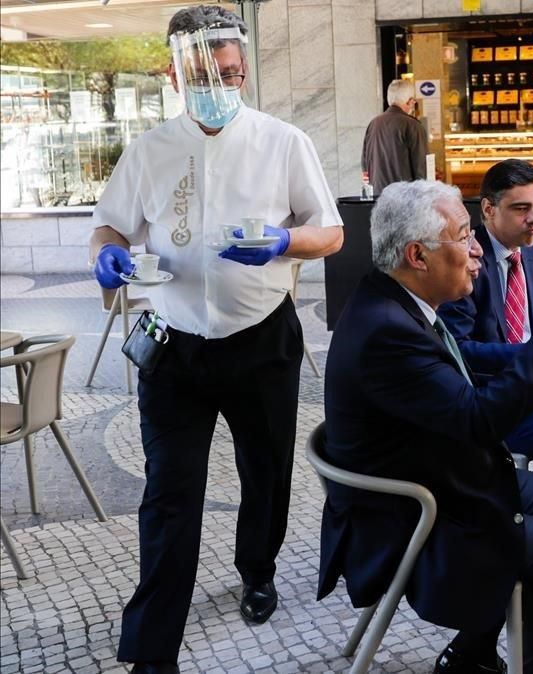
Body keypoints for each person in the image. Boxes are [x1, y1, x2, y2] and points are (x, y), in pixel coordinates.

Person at [89, 6, 344, 672]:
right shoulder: (148, 151)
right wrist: (107, 254)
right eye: (208, 75)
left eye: (233, 73)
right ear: (176, 74)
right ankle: (152, 650)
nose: (223, 86)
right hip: (173, 346)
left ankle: (256, 568)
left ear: (244, 68)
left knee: (266, 472)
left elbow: (332, 231)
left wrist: (286, 240)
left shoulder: (283, 141)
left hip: (262, 339)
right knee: (169, 492)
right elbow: (110, 227)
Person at [319, 179, 533, 673]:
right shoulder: (387, 332)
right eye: (463, 235)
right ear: (418, 255)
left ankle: (473, 651)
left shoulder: (396, 302)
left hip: (440, 477)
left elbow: (462, 395)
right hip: (413, 514)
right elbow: (477, 420)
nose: (477, 248)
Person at [437, 159, 533, 483]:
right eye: (521, 209)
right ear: (488, 208)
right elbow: (457, 351)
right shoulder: (465, 260)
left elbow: (527, 325)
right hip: (494, 397)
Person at [362, 79, 429, 191]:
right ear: (410, 101)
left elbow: (365, 164)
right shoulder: (413, 126)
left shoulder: (373, 124)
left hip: (378, 197)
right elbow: (421, 169)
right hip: (403, 198)